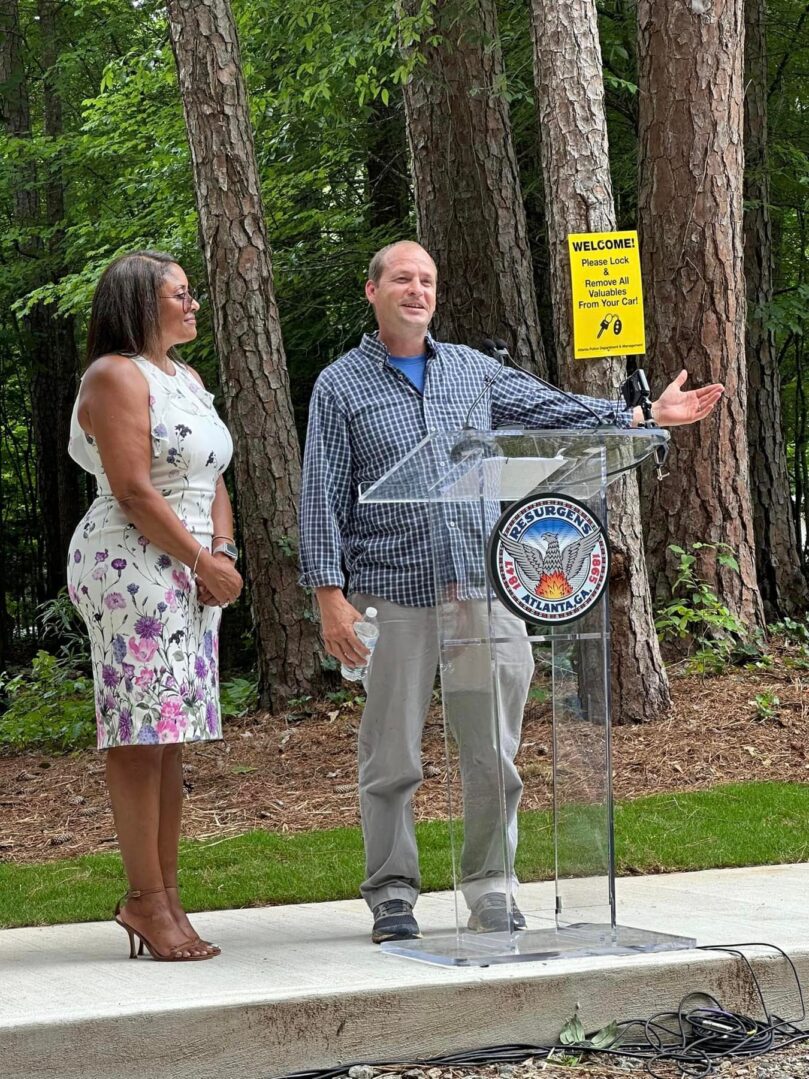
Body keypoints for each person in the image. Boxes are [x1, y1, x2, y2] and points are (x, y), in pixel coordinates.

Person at [299, 240, 723, 944]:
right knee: (391, 754)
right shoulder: (341, 385)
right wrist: (328, 593)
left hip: (480, 584)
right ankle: (392, 893)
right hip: (390, 591)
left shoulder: (471, 371)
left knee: (492, 751)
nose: (416, 290)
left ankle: (491, 886)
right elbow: (320, 493)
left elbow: (555, 412)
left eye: (427, 280)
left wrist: (643, 419)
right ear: (371, 291)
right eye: (401, 278)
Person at [67, 251, 243, 961]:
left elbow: (212, 476)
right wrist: (199, 558)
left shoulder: (188, 380)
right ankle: (144, 900)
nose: (193, 303)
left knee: (168, 734)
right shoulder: (115, 375)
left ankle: (165, 895)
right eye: (180, 294)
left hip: (194, 568)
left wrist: (222, 551)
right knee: (140, 734)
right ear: (141, 303)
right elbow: (135, 489)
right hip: (131, 564)